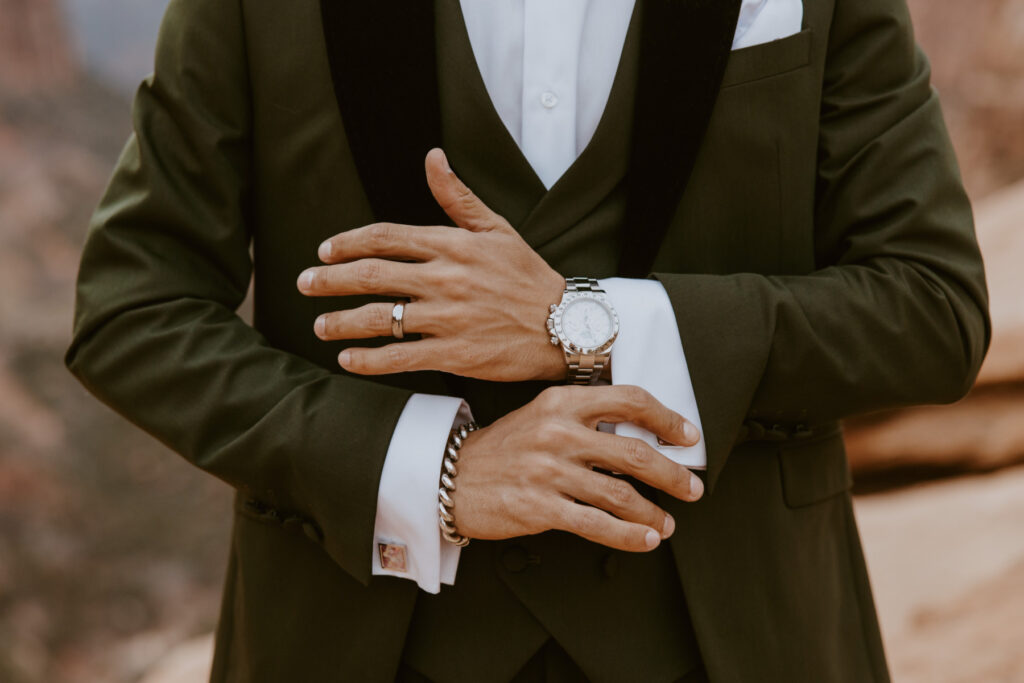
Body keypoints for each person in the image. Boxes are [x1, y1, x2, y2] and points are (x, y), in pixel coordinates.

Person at [66, 0, 989, 681]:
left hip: (742, 638)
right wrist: (434, 472)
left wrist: (577, 322)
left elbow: (931, 307)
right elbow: (133, 308)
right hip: (354, 642)